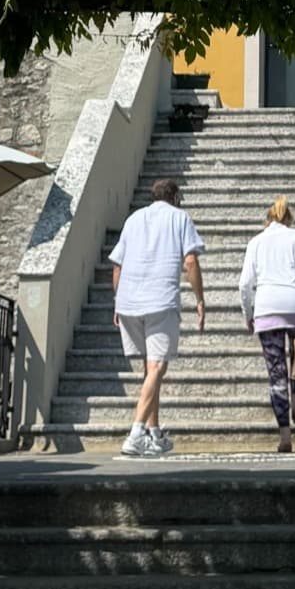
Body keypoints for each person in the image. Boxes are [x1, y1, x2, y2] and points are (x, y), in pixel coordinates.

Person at [110, 176, 207, 458]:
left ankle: (154, 434)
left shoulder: (133, 219)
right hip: (160, 300)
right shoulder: (180, 217)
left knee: (149, 369)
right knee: (157, 369)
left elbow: (117, 266)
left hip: (128, 301)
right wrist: (200, 299)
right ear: (175, 197)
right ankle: (136, 432)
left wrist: (117, 303)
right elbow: (190, 261)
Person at [238, 195, 295, 453]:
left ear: (267, 219)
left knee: (276, 374)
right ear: (288, 219)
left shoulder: (255, 242)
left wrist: (248, 314)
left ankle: (285, 437)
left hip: (266, 309)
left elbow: (245, 283)